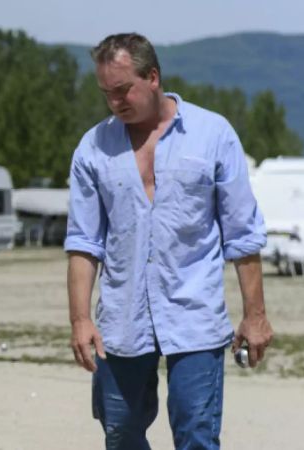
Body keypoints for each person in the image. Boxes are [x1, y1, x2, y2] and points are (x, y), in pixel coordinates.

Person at [64, 33, 274, 450]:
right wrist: (80, 319)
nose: (115, 102)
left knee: (196, 436)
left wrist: (255, 316)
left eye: (124, 90)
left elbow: (242, 235)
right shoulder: (93, 147)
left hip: (194, 316)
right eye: (107, 93)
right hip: (122, 323)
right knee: (120, 433)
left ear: (153, 76)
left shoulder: (212, 134)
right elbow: (84, 243)